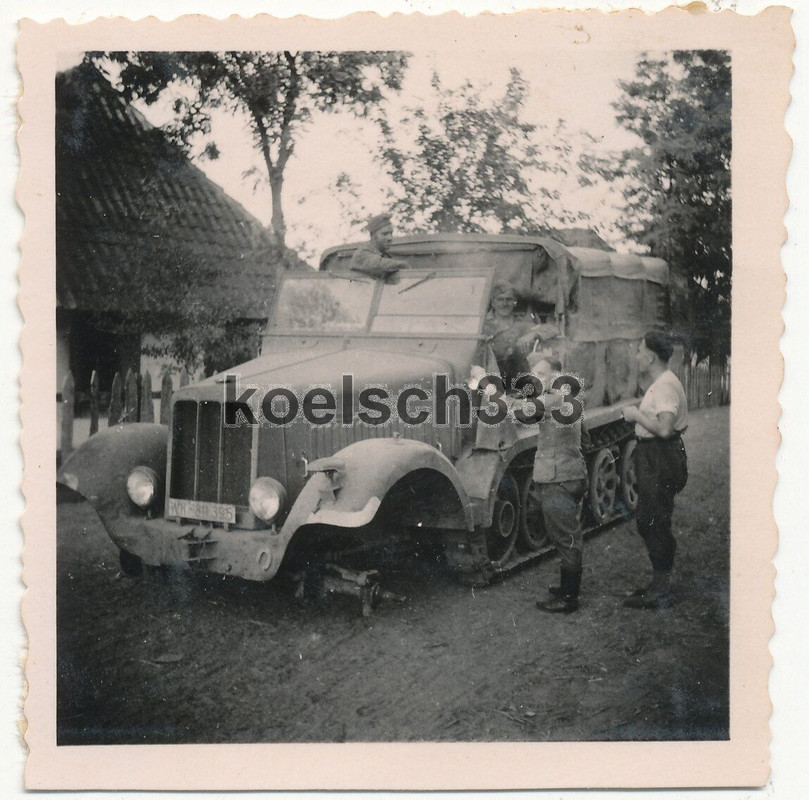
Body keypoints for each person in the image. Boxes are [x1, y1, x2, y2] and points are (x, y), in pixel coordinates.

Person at [621, 330, 688, 610]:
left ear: (650, 356)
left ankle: (662, 588)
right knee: (652, 517)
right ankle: (660, 583)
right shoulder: (663, 382)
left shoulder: (663, 386)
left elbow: (663, 428)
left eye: (639, 350)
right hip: (657, 455)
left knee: (653, 519)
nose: (636, 356)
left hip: (660, 456)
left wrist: (636, 415)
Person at [522, 353, 588, 614]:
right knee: (564, 534)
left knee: (566, 537)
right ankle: (566, 588)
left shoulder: (557, 398)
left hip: (558, 477)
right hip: (566, 473)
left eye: (541, 372)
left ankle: (569, 598)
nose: (535, 377)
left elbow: (525, 412)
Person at [482, 282, 557, 387]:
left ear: (514, 302)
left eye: (508, 299)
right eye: (500, 299)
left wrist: (532, 334)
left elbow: (552, 328)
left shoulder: (521, 324)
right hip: (487, 378)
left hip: (514, 379)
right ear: (493, 303)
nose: (504, 304)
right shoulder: (482, 324)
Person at [348, 213, 409, 281]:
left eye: (391, 233)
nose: (390, 238)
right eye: (385, 234)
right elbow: (378, 265)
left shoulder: (384, 255)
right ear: (373, 236)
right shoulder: (361, 254)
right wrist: (403, 264)